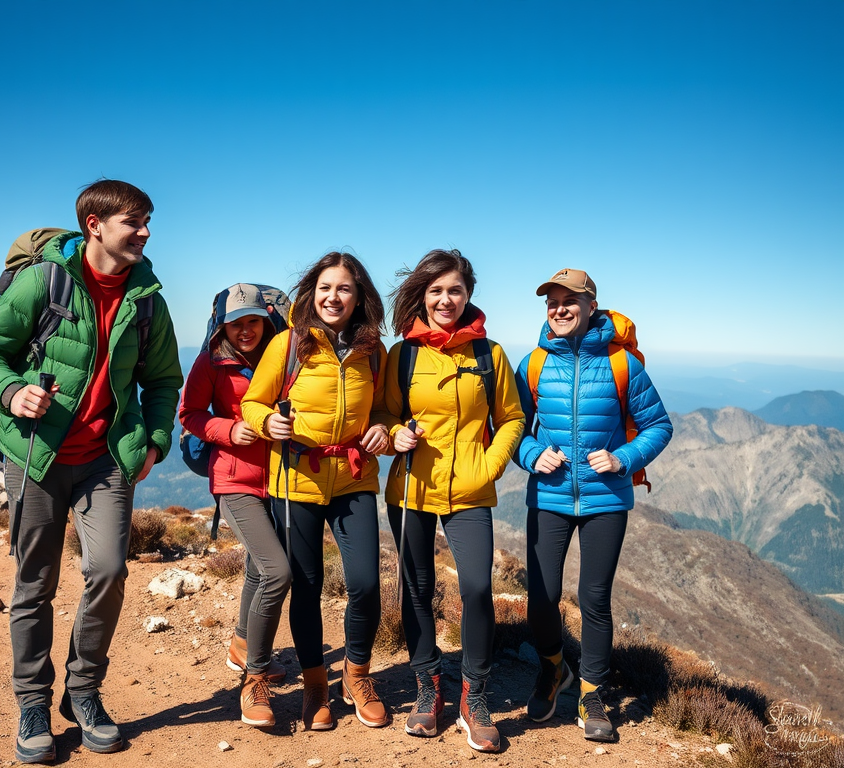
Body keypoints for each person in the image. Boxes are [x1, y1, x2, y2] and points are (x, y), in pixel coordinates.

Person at [0, 180, 182, 763]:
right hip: (35, 454)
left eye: (148, 221)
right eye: (134, 221)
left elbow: (163, 380)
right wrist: (12, 393)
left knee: (108, 571)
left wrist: (155, 442)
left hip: (105, 459)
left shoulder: (147, 298)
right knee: (34, 582)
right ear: (94, 224)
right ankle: (32, 701)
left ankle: (82, 691)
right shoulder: (45, 283)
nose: (145, 231)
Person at [514, 268, 672, 743]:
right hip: (549, 495)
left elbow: (658, 426)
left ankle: (591, 693)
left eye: (569, 301)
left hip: (606, 500)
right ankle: (554, 669)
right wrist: (530, 453)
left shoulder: (624, 365)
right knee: (541, 598)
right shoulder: (533, 365)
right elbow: (509, 426)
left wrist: (623, 458)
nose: (558, 309)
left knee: (594, 600)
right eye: (551, 303)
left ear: (590, 306)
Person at [240, 251, 391, 731]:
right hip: (296, 477)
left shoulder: (375, 351)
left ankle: (358, 675)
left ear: (359, 296)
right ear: (311, 293)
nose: (333, 297)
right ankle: (315, 687)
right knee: (305, 587)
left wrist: (384, 430)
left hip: (354, 476)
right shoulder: (288, 345)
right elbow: (252, 402)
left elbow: (388, 409)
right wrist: (269, 421)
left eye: (344, 288)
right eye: (325, 288)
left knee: (365, 583)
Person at [384, 249, 525, 753]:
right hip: (410, 492)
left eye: (456, 290)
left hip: (469, 490)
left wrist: (490, 466)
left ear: (469, 295)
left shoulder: (490, 354)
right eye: (437, 290)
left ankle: (475, 694)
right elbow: (382, 416)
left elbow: (511, 417)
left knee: (477, 588)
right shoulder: (402, 356)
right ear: (422, 295)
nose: (446, 299)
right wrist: (397, 433)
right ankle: (428, 686)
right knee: (417, 588)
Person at [178, 283, 291, 728]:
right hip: (234, 479)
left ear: (266, 320)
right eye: (237, 322)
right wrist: (227, 430)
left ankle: (243, 645)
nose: (246, 330)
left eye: (253, 321)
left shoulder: (282, 356)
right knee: (277, 571)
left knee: (256, 568)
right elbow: (189, 414)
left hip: (282, 479)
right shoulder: (210, 361)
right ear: (223, 324)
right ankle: (254, 676)